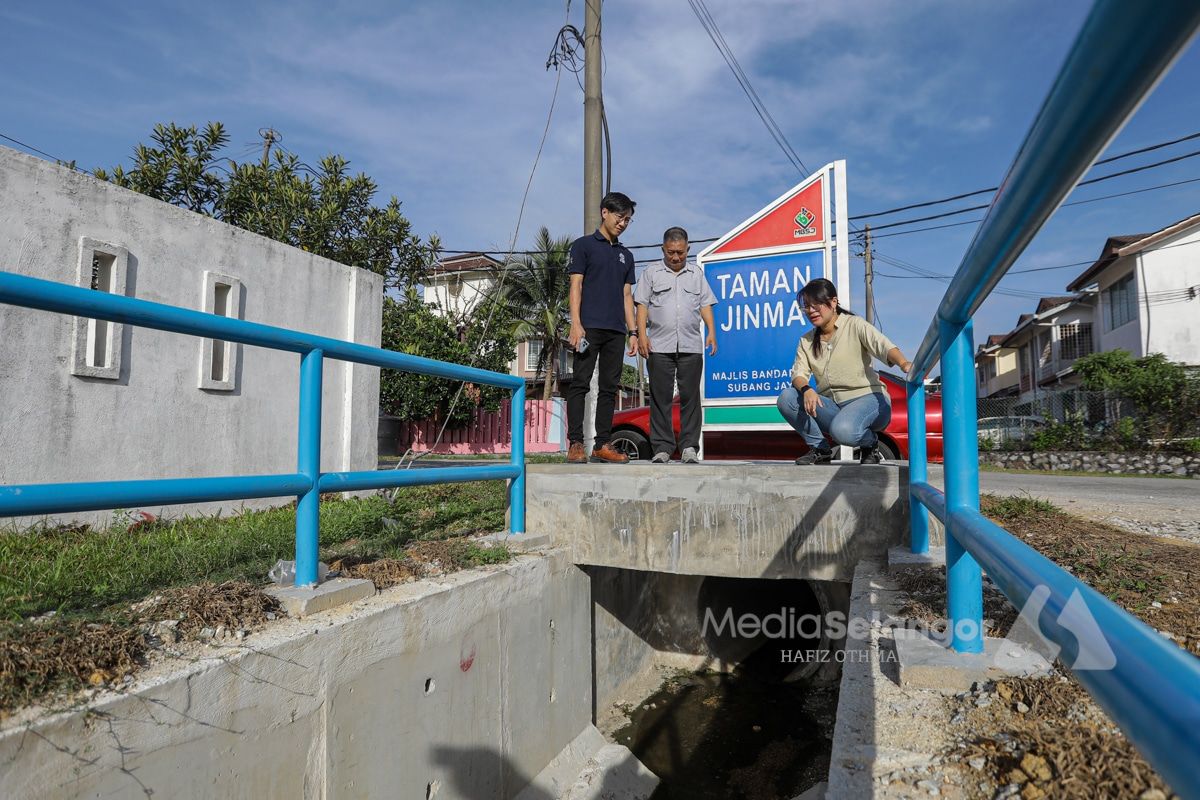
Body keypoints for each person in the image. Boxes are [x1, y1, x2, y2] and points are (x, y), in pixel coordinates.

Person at [776, 278, 913, 465]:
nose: (811, 311)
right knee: (787, 398)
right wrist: (807, 389)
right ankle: (820, 448)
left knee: (843, 431)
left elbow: (883, 346)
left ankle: (871, 443)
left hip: (869, 400)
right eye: (807, 306)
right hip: (834, 407)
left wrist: (904, 364)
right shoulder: (806, 341)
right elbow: (798, 374)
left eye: (817, 305)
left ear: (833, 302)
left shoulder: (854, 325)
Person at [565, 191, 640, 464]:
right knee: (579, 384)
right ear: (604, 212)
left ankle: (602, 445)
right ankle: (575, 444)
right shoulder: (583, 246)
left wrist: (633, 332)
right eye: (620, 217)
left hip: (616, 331)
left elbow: (627, 296)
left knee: (610, 388)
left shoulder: (626, 255)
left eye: (628, 220)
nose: (623, 223)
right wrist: (576, 323)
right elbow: (576, 285)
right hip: (588, 328)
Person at [634, 227, 717, 463]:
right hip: (658, 345)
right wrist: (641, 335)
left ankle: (690, 447)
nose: (676, 257)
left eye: (680, 252)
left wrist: (712, 332)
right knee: (661, 398)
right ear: (663, 249)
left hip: (691, 345)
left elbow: (705, 304)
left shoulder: (696, 274)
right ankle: (662, 448)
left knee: (690, 398)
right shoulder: (651, 273)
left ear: (688, 249)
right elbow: (642, 305)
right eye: (671, 252)